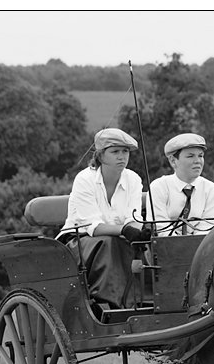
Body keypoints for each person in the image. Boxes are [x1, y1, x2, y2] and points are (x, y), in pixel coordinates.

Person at [58, 127, 150, 310]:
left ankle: (142, 303)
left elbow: (133, 218)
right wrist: (125, 230)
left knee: (146, 247)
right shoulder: (84, 179)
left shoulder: (133, 179)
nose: (122, 157)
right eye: (115, 152)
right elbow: (93, 226)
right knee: (109, 243)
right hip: (79, 242)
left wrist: (138, 231)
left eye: (125, 152)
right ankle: (110, 305)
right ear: (100, 156)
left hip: (118, 242)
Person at [146, 133, 214, 236]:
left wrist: (192, 247)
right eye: (190, 156)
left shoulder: (211, 189)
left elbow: (207, 228)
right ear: (173, 161)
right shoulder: (159, 187)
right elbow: (161, 229)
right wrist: (180, 246)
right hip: (166, 248)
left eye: (200, 156)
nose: (198, 161)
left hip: (200, 247)